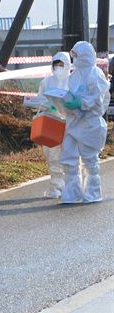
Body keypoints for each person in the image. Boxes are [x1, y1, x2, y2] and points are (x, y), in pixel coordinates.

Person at [59, 41, 110, 204]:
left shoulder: (95, 74)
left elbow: (96, 98)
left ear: (86, 56)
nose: (74, 58)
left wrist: (80, 103)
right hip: (73, 122)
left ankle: (93, 192)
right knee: (68, 156)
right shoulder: (74, 76)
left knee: (89, 159)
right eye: (73, 55)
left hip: (90, 124)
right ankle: (72, 192)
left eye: (77, 55)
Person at [35, 51, 71, 198]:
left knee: (71, 155)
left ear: (68, 65)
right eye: (56, 64)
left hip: (70, 123)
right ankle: (56, 185)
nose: (59, 67)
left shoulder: (74, 80)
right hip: (51, 122)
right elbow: (40, 100)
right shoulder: (46, 82)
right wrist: (48, 106)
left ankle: (72, 185)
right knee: (53, 156)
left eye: (62, 64)